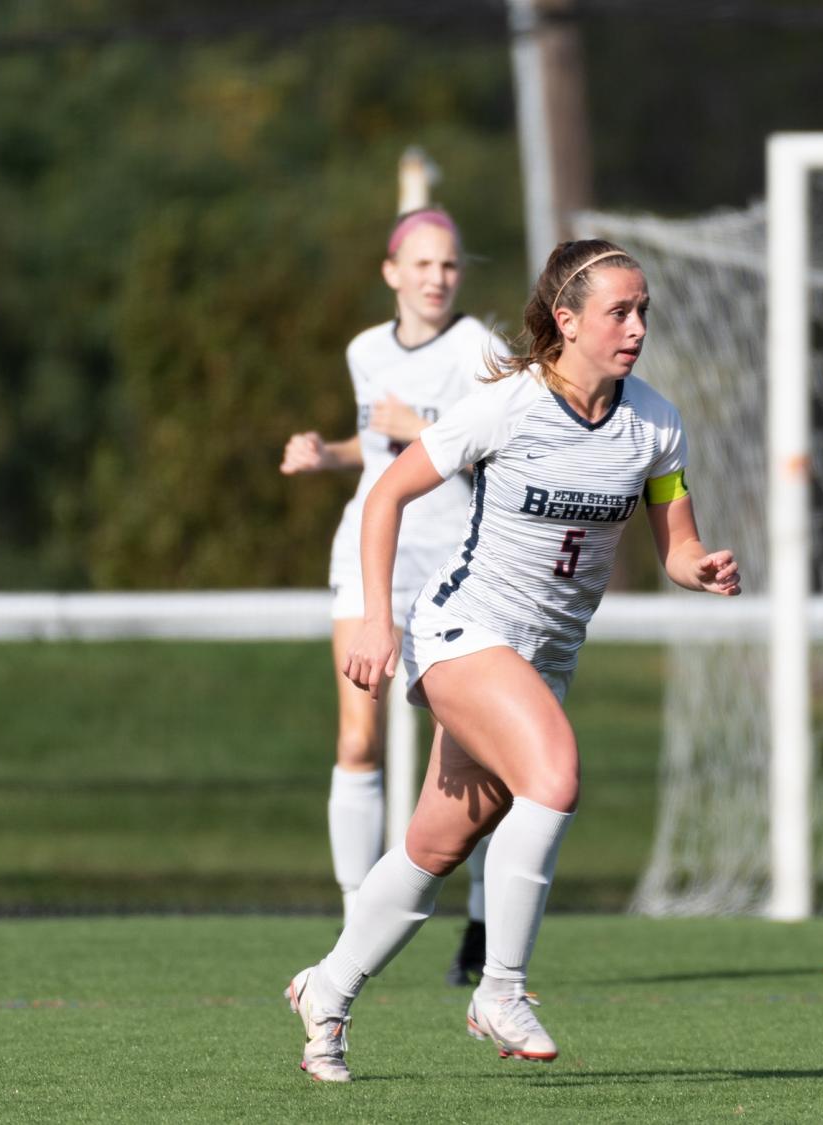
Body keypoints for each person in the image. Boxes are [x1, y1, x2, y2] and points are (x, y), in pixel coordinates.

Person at [283, 238, 742, 1083]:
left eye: (644, 310)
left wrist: (700, 568)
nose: (637, 325)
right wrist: (378, 622)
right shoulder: (507, 406)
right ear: (565, 321)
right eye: (619, 311)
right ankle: (501, 986)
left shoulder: (657, 425)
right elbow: (385, 494)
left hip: (542, 660)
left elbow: (677, 543)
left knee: (433, 846)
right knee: (555, 774)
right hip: (462, 630)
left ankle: (328, 987)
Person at [280, 206, 490, 987]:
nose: (439, 278)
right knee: (357, 738)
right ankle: (355, 919)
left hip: (458, 568)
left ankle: (484, 926)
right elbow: (379, 453)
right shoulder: (364, 350)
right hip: (372, 557)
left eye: (451, 265)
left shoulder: (479, 350)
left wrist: (425, 420)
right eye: (425, 265)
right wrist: (325, 453)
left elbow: (500, 448)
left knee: (478, 755)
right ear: (392, 273)